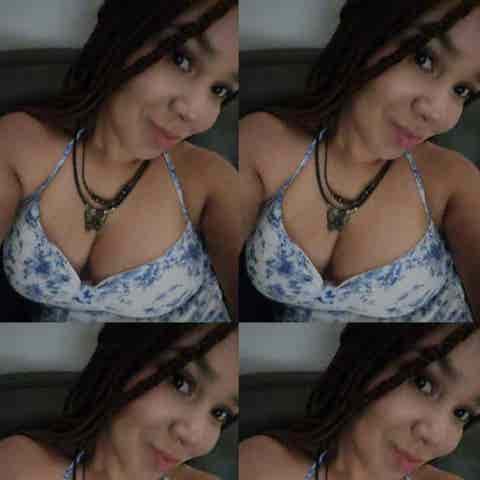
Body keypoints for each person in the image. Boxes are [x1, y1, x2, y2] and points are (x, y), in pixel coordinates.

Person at [241, 0, 480, 322]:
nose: (437, 112)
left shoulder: (453, 180)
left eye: (462, 90)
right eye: (423, 59)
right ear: (364, 39)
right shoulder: (263, 144)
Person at [0, 0, 239, 321]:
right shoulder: (19, 144)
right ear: (124, 37)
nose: (194, 111)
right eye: (180, 59)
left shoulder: (210, 181)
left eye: (220, 90)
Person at [240, 323, 480, 480]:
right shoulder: (261, 466)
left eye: (462, 413)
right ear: (365, 361)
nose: (437, 437)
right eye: (422, 383)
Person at [0, 323, 239, 480]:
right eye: (180, 382)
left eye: (220, 413)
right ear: (125, 360)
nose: (195, 436)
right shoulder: (22, 467)